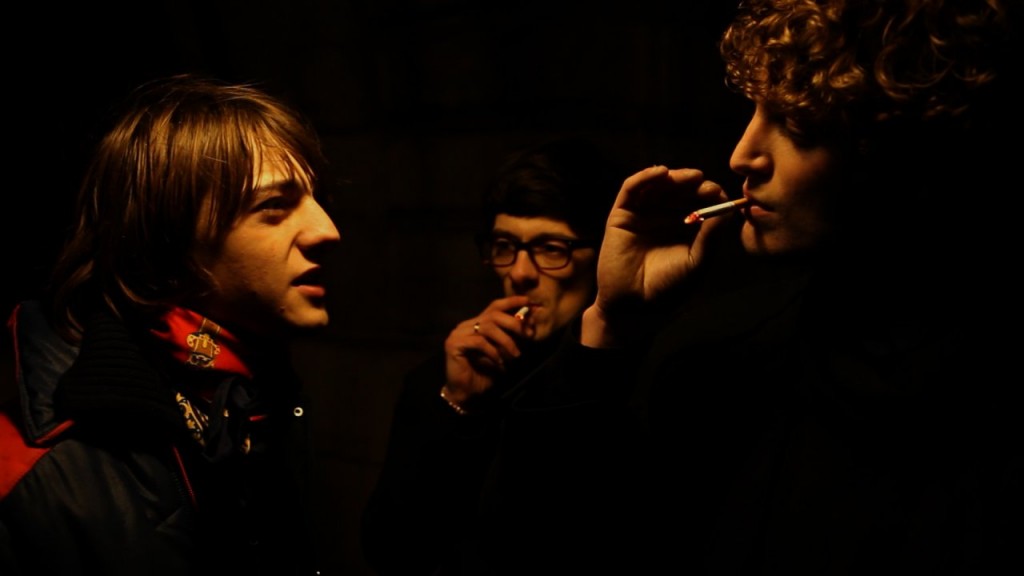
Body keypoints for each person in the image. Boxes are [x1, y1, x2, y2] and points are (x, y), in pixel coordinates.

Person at [467, 1, 1021, 574]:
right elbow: (529, 555)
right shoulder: (715, 367)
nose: (742, 156)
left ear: (899, 147)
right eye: (755, 110)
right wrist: (609, 325)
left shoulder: (992, 406)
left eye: (798, 124)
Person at [0, 73, 341, 576]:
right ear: (167, 238)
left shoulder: (253, 394)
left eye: (315, 198)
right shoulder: (37, 468)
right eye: (273, 205)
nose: (327, 230)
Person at [360, 137, 624, 575]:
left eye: (551, 248)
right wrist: (455, 404)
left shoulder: (633, 379)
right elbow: (388, 546)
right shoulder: (446, 375)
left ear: (602, 256)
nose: (519, 273)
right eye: (505, 245)